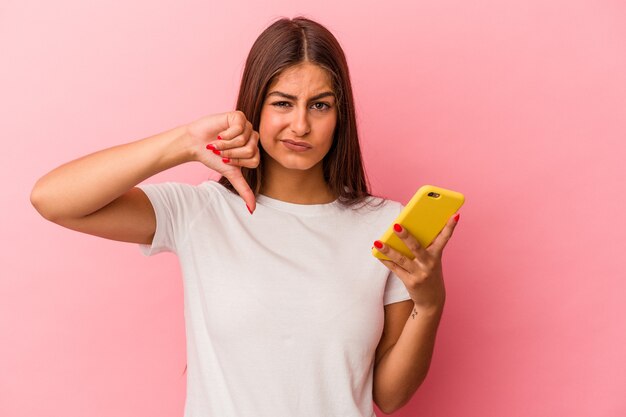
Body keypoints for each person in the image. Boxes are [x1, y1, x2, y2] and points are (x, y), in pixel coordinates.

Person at [31, 16, 459, 417]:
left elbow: (388, 395)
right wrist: (184, 141)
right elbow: (52, 199)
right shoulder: (201, 212)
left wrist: (430, 302)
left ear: (340, 115)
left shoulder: (384, 224)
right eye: (283, 103)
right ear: (254, 106)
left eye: (320, 106)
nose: (300, 125)